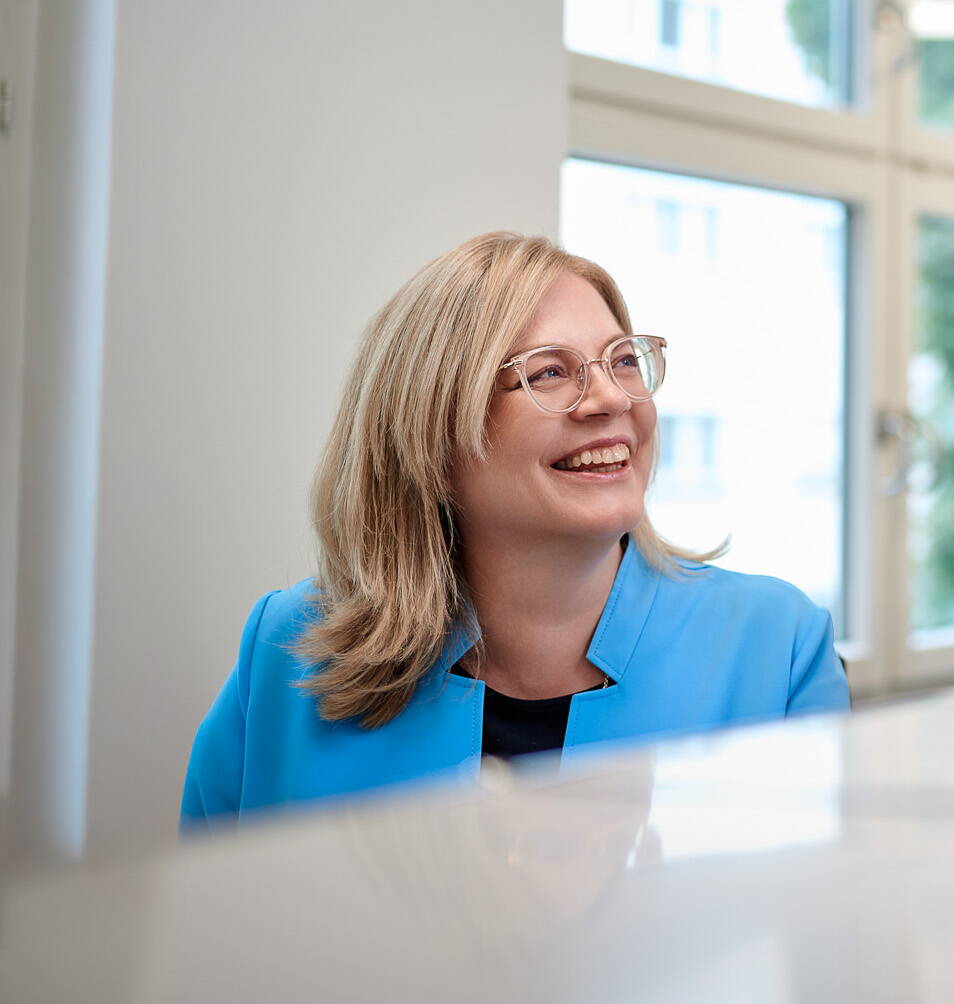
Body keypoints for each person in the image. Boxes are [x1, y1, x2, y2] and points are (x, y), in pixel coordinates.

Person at [183, 231, 847, 824]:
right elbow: (211, 945)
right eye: (550, 371)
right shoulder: (285, 648)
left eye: (622, 359)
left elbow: (823, 942)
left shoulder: (779, 648)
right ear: (432, 438)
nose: (614, 398)